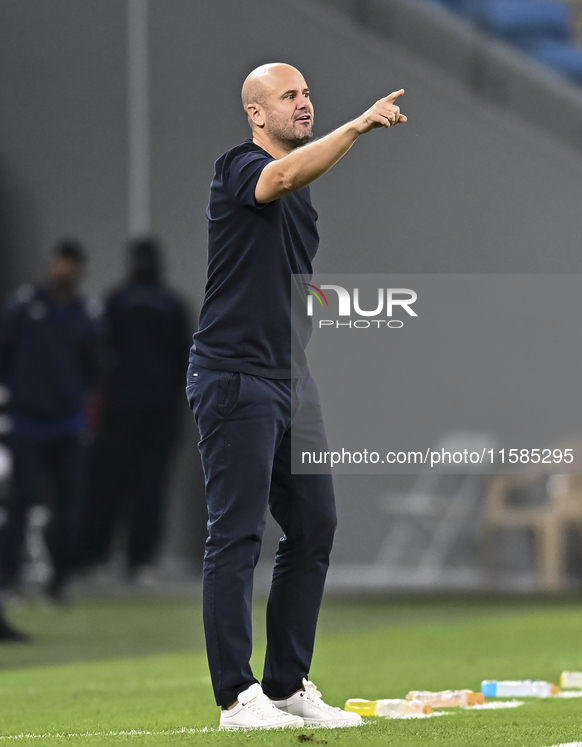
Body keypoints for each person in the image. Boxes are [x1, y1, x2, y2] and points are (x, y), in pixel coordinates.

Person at [186, 62, 406, 730]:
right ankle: (235, 696)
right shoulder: (240, 165)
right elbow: (280, 176)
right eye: (289, 96)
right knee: (237, 532)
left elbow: (294, 189)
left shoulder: (302, 189)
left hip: (288, 377)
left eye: (308, 94)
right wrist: (359, 124)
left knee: (314, 524)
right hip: (234, 373)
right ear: (256, 112)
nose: (303, 103)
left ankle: (285, 685)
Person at [0, 240, 101, 601]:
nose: (64, 269)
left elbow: (95, 368)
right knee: (20, 502)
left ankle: (60, 581)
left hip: (68, 425)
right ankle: (8, 577)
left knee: (69, 507)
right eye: (60, 262)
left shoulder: (85, 314)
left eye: (70, 264)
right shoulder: (24, 307)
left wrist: (84, 411)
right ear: (51, 264)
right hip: (27, 422)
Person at [84, 237, 190, 579]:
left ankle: (102, 555)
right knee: (150, 487)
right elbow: (186, 363)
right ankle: (139, 559)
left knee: (112, 484)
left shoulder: (117, 301)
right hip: (156, 410)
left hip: (123, 409)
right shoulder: (172, 305)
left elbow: (100, 356)